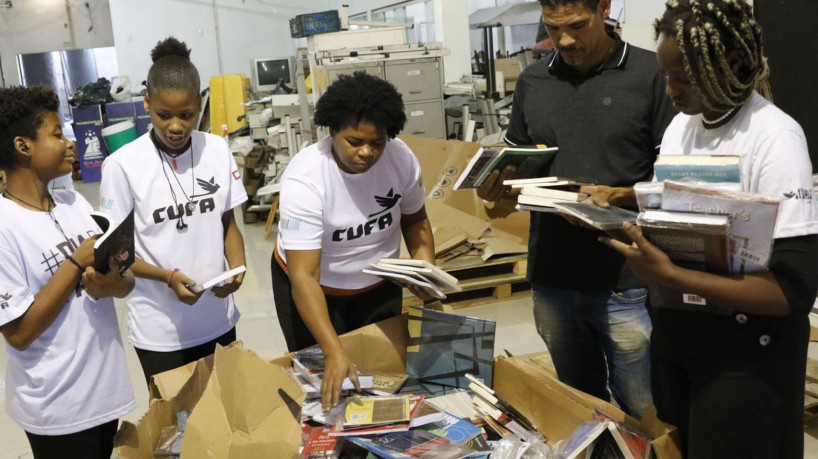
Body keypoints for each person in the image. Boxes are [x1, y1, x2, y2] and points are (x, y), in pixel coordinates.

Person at [600, 0, 818, 456]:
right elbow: (670, 222)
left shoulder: (775, 138)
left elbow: (792, 291)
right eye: (666, 75)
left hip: (746, 358)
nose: (669, 90)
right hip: (682, 339)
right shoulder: (682, 128)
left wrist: (668, 275)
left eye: (683, 76)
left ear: (733, 62)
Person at [478, 0, 676, 418]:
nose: (564, 40)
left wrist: (615, 196)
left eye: (577, 26)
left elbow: (672, 182)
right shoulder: (533, 80)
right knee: (580, 409)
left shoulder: (651, 75)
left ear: (603, 7)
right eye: (553, 27)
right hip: (552, 276)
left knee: (644, 410)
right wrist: (499, 189)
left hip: (626, 277)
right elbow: (520, 163)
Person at [272, 71, 436, 411]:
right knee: (325, 385)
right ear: (332, 130)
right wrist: (333, 350)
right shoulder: (306, 178)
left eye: (376, 143)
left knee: (380, 380)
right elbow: (305, 276)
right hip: (315, 289)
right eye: (353, 141)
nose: (366, 153)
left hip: (378, 284)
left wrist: (426, 269)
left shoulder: (401, 159)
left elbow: (416, 220)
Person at [99, 36, 248, 385]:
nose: (177, 126)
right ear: (147, 103)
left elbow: (226, 221)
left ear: (199, 105)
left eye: (187, 115)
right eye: (164, 115)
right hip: (160, 330)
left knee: (226, 413)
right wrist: (167, 277)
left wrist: (237, 268)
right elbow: (115, 252)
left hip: (218, 318)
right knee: (177, 430)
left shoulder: (216, 148)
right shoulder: (123, 166)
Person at [0, 86, 135, 459]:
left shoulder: (73, 203)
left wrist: (115, 284)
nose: (70, 142)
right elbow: (19, 333)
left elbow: (125, 282)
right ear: (23, 146)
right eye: (57, 134)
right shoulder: (4, 226)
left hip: (103, 392)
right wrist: (75, 262)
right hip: (57, 405)